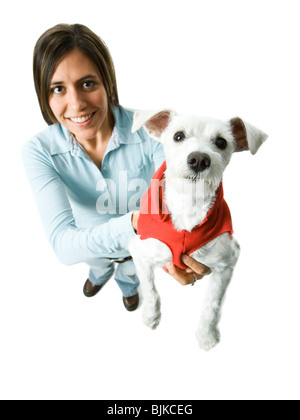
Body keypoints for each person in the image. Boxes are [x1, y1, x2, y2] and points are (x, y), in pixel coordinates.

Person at [22, 23, 211, 312]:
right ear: (44, 96)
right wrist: (136, 222)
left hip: (141, 249)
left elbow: (184, 192)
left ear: (107, 83)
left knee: (130, 275)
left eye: (88, 84)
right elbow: (63, 245)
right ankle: (97, 278)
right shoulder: (39, 151)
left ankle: (128, 291)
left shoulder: (154, 130)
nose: (76, 104)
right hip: (92, 249)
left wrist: (186, 248)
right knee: (96, 267)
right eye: (58, 89)